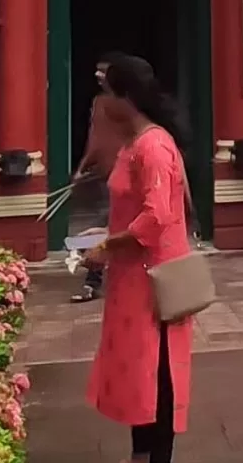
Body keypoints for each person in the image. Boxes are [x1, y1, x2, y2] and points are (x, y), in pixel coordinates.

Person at [84, 55, 194, 463]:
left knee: (157, 372)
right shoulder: (136, 141)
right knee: (138, 368)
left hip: (154, 280)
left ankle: (155, 456)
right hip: (134, 277)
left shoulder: (152, 145)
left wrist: (107, 247)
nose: (103, 101)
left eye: (108, 92)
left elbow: (156, 216)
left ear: (125, 97)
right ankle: (141, 454)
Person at [71, 53, 135, 303]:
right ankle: (95, 276)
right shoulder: (99, 102)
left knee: (110, 225)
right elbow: (94, 138)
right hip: (104, 174)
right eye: (96, 70)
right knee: (109, 225)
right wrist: (83, 166)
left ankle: (92, 277)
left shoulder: (130, 104)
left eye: (104, 71)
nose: (97, 75)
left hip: (126, 176)